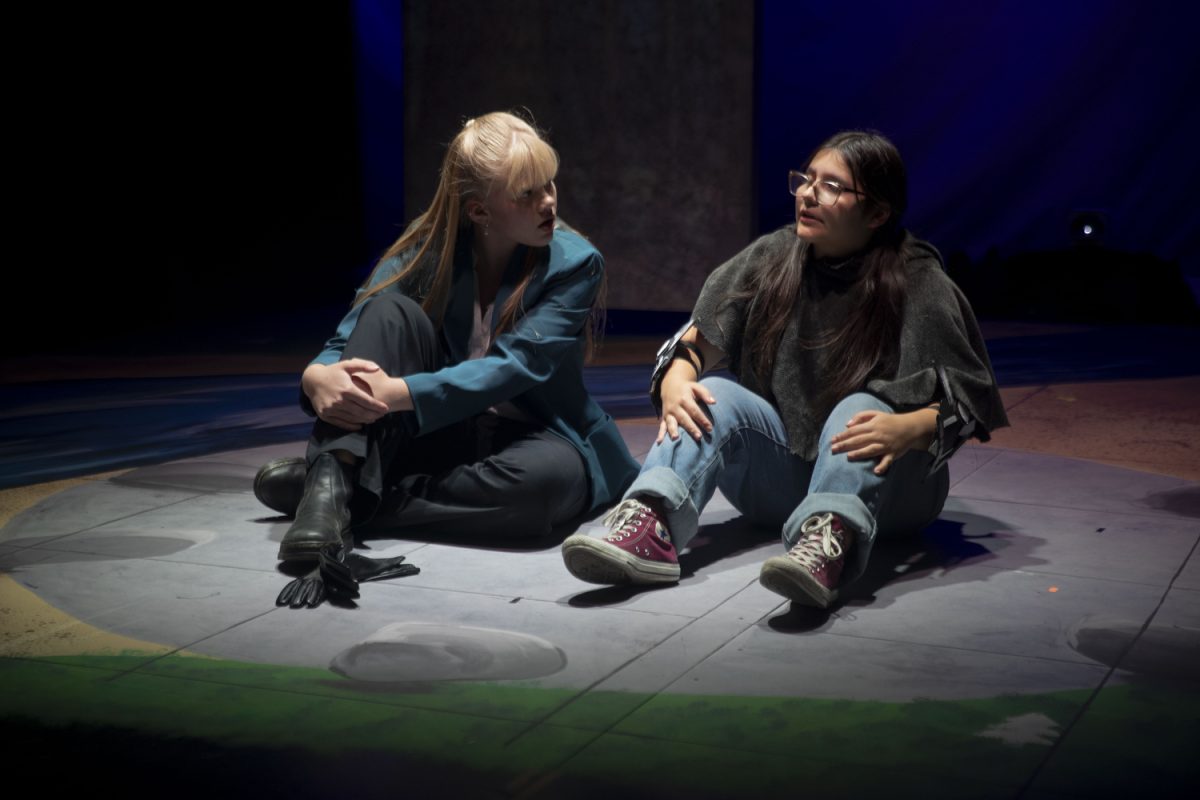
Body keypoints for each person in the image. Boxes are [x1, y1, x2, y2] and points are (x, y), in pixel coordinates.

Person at [561, 130, 1008, 609]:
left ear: (877, 213)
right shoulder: (774, 257)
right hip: (783, 483)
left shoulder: (917, 279)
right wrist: (676, 378)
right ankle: (650, 523)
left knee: (858, 405)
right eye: (806, 179)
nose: (809, 194)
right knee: (715, 392)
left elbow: (971, 400)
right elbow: (694, 343)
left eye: (832, 186)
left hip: (894, 489)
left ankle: (828, 546)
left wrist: (908, 427)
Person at [254, 111, 639, 562]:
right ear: (479, 210)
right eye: (528, 193)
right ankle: (334, 482)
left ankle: (336, 492)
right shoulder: (430, 246)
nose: (550, 202)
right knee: (388, 311)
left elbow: (515, 367)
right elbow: (356, 327)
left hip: (536, 433)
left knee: (538, 494)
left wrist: (399, 393)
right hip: (439, 432)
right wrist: (316, 376)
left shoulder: (576, 263)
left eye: (550, 184)